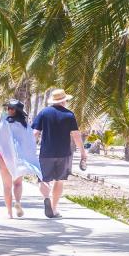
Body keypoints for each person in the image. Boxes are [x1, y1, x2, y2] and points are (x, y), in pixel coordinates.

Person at [0, 100, 42, 219]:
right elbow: (30, 142)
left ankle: (9, 213)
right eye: (8, 108)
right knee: (18, 183)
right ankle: (18, 202)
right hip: (18, 158)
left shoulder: (5, 123)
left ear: (16, 110)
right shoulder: (25, 126)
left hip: (4, 157)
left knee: (7, 185)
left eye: (11, 108)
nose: (9, 110)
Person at [32, 89, 87, 219]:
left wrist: (29, 149)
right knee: (59, 181)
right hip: (64, 153)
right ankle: (54, 209)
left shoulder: (44, 112)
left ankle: (46, 198)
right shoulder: (69, 115)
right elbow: (76, 135)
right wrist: (83, 153)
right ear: (64, 101)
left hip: (46, 153)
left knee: (43, 179)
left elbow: (35, 133)